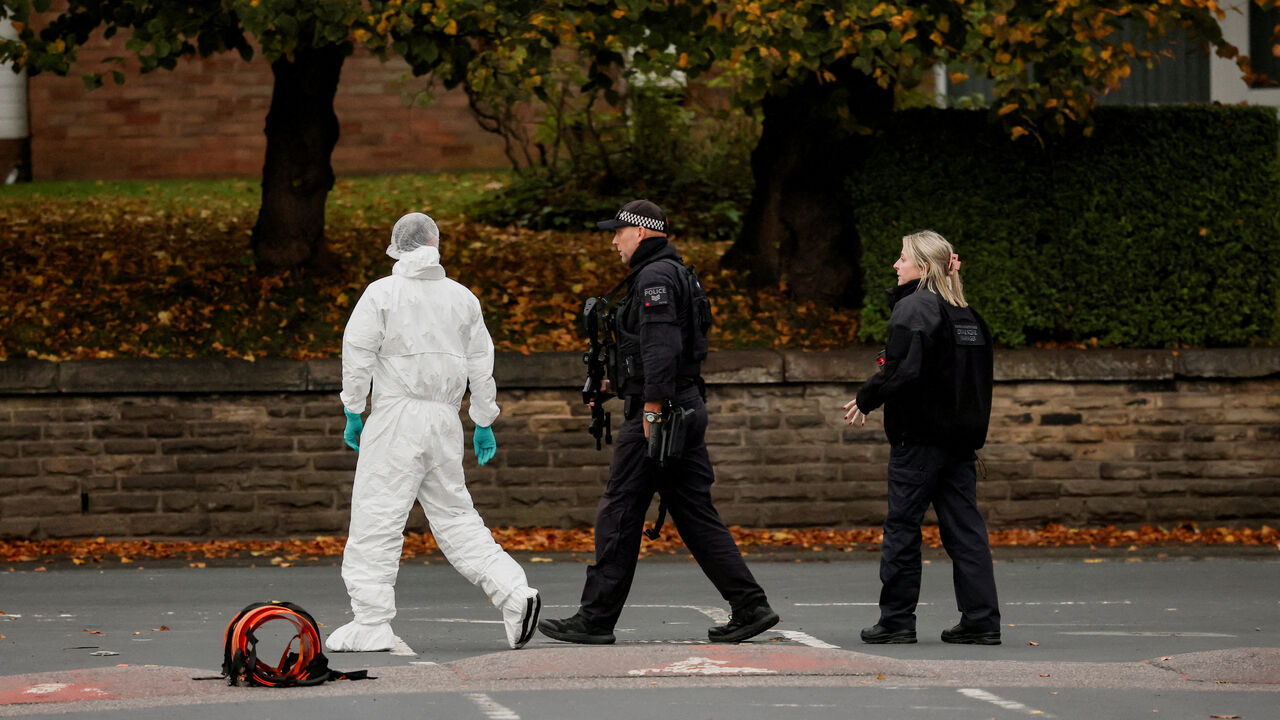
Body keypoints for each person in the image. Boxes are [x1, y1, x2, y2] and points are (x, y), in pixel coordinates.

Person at [538, 199, 779, 645]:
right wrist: (615, 385)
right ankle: (750, 605)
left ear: (643, 233)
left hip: (662, 415)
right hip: (679, 406)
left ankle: (595, 618)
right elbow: (659, 352)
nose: (613, 241)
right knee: (694, 514)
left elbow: (661, 349)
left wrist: (650, 406)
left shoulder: (654, 278)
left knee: (620, 511)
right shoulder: (672, 272)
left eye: (618, 232)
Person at [327, 212, 540, 653]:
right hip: (444, 422)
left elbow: (358, 353)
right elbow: (482, 364)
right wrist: (483, 420)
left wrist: (353, 409)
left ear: (397, 246)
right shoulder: (462, 298)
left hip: (396, 418)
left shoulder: (382, 294)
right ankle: (514, 593)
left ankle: (371, 621)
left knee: (377, 516)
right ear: (435, 244)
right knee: (456, 516)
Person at [843, 229, 1001, 646]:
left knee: (902, 528)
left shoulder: (915, 309)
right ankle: (982, 620)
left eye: (902, 258)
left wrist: (865, 398)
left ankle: (895, 620)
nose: (895, 265)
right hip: (961, 441)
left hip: (920, 440)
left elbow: (901, 369)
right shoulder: (967, 314)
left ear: (925, 267)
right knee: (966, 530)